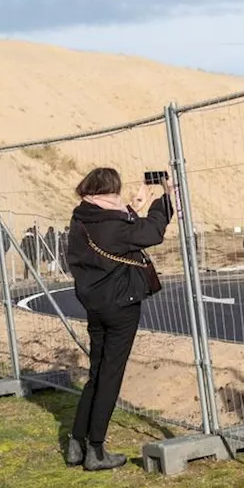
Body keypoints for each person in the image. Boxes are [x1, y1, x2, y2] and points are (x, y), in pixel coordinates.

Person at [66, 167, 172, 471]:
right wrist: (164, 197)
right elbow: (152, 232)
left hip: (94, 305)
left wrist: (133, 207)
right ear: (111, 191)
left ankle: (76, 443)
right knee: (110, 376)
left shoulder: (82, 217)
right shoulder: (113, 224)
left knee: (97, 373)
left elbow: (120, 230)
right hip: (120, 306)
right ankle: (95, 450)